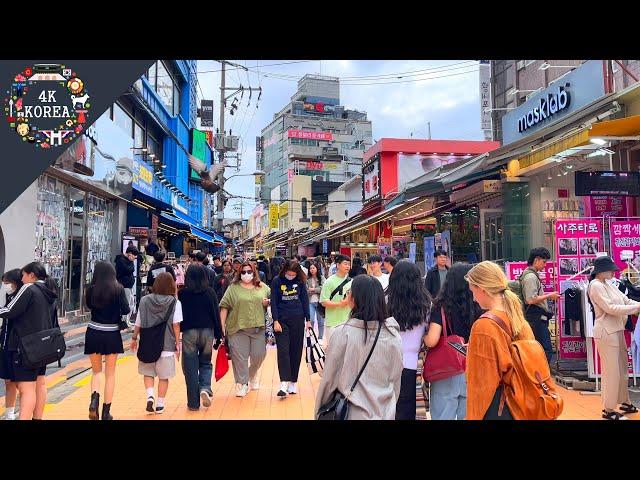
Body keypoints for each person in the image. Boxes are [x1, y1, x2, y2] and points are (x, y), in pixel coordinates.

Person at [315, 275, 403, 419]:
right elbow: (395, 382)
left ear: (354, 299)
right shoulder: (393, 336)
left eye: (349, 292)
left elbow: (329, 380)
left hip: (352, 413)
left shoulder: (342, 333)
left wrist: (319, 411)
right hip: (384, 412)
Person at [464, 261, 535, 420]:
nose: (474, 299)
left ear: (482, 289)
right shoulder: (519, 320)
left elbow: (482, 384)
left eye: (473, 291)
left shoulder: (483, 326)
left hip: (496, 407)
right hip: (521, 403)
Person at [424, 263, 483, 420]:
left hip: (446, 370)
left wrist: (422, 336)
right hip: (473, 368)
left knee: (443, 415)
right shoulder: (479, 306)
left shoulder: (441, 307)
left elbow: (432, 340)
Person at [0, 262, 58, 420]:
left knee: (27, 389)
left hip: (25, 347)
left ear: (32, 275)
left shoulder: (29, 288)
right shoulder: (49, 290)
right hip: (44, 346)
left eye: (24, 275)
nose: (22, 279)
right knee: (40, 384)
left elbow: (9, 310)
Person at [588, 255, 640, 420]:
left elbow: (625, 300)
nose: (613, 271)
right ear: (601, 270)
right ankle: (608, 409)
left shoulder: (607, 284)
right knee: (611, 372)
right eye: (610, 269)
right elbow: (610, 308)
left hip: (616, 329)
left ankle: (624, 401)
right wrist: (636, 308)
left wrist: (636, 305)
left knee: (622, 368)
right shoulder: (595, 285)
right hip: (606, 332)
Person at [84, 261, 131, 420]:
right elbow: (126, 309)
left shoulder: (90, 290)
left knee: (96, 372)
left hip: (94, 331)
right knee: (110, 374)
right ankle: (106, 411)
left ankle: (93, 401)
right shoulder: (118, 289)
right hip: (111, 333)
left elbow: (89, 306)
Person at [131, 272, 182, 415]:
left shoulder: (145, 300)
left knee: (148, 372)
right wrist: (177, 343)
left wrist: (134, 338)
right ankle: (160, 404)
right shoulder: (175, 302)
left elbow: (139, 321)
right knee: (163, 376)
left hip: (147, 342)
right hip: (166, 344)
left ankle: (150, 395)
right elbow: (176, 324)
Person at [387, 260, 431, 420]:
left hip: (388, 365)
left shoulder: (386, 303)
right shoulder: (427, 305)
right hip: (414, 366)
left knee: (390, 410)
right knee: (410, 411)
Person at [219, 261, 271, 397]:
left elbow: (273, 301)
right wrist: (221, 327)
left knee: (259, 355)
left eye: (249, 271)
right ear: (239, 273)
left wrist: (268, 303)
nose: (246, 274)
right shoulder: (233, 288)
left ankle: (251, 375)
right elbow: (224, 306)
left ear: (254, 272)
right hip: (237, 328)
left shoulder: (263, 288)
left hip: (258, 328)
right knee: (239, 358)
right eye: (243, 272)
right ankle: (242, 384)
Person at [178, 265, 223, 411]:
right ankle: (205, 387)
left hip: (189, 332)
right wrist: (219, 334)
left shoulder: (183, 294)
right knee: (205, 362)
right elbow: (216, 314)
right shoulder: (210, 292)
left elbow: (179, 316)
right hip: (207, 331)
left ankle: (193, 403)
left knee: (190, 367)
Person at [271, 260, 311, 396]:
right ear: (284, 271)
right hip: (282, 321)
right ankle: (284, 383)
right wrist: (275, 320)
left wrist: (308, 319)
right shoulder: (277, 281)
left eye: (293, 274)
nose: (291, 276)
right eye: (289, 274)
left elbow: (305, 300)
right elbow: (274, 302)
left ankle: (293, 381)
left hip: (298, 319)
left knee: (296, 350)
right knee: (283, 351)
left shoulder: (300, 281)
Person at [522, 247, 559, 363]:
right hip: (535, 318)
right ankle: (540, 376)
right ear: (536, 260)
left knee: (540, 349)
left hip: (535, 318)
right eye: (544, 262)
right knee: (545, 349)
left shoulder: (531, 275)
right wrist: (549, 296)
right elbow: (530, 299)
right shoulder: (531, 277)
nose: (545, 265)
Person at [0, 269, 23, 420]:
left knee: (21, 384)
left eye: (7, 283)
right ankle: (9, 414)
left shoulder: (22, 298)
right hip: (4, 345)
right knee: (8, 381)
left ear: (15, 283)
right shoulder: (9, 296)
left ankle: (24, 411)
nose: (5, 286)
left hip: (17, 348)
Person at [320, 254, 353, 349]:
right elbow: (324, 302)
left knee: (346, 350)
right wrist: (340, 304)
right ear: (338, 265)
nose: (347, 266)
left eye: (349, 264)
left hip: (348, 321)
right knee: (332, 351)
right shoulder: (329, 281)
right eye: (345, 264)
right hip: (332, 323)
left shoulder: (352, 281)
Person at [115, 246, 138, 326]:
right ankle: (124, 322)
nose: (135, 258)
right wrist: (131, 266)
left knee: (131, 304)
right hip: (124, 286)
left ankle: (127, 321)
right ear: (130, 254)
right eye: (134, 255)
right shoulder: (121, 260)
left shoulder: (128, 261)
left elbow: (131, 269)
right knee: (126, 304)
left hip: (129, 286)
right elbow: (129, 269)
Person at [307, 261, 325, 342]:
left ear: (317, 269)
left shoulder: (322, 278)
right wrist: (316, 290)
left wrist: (314, 289)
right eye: (310, 268)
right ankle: (311, 337)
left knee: (320, 321)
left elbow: (324, 289)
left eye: (313, 268)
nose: (312, 270)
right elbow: (305, 290)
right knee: (311, 320)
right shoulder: (307, 279)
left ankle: (320, 338)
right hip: (310, 302)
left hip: (320, 302)